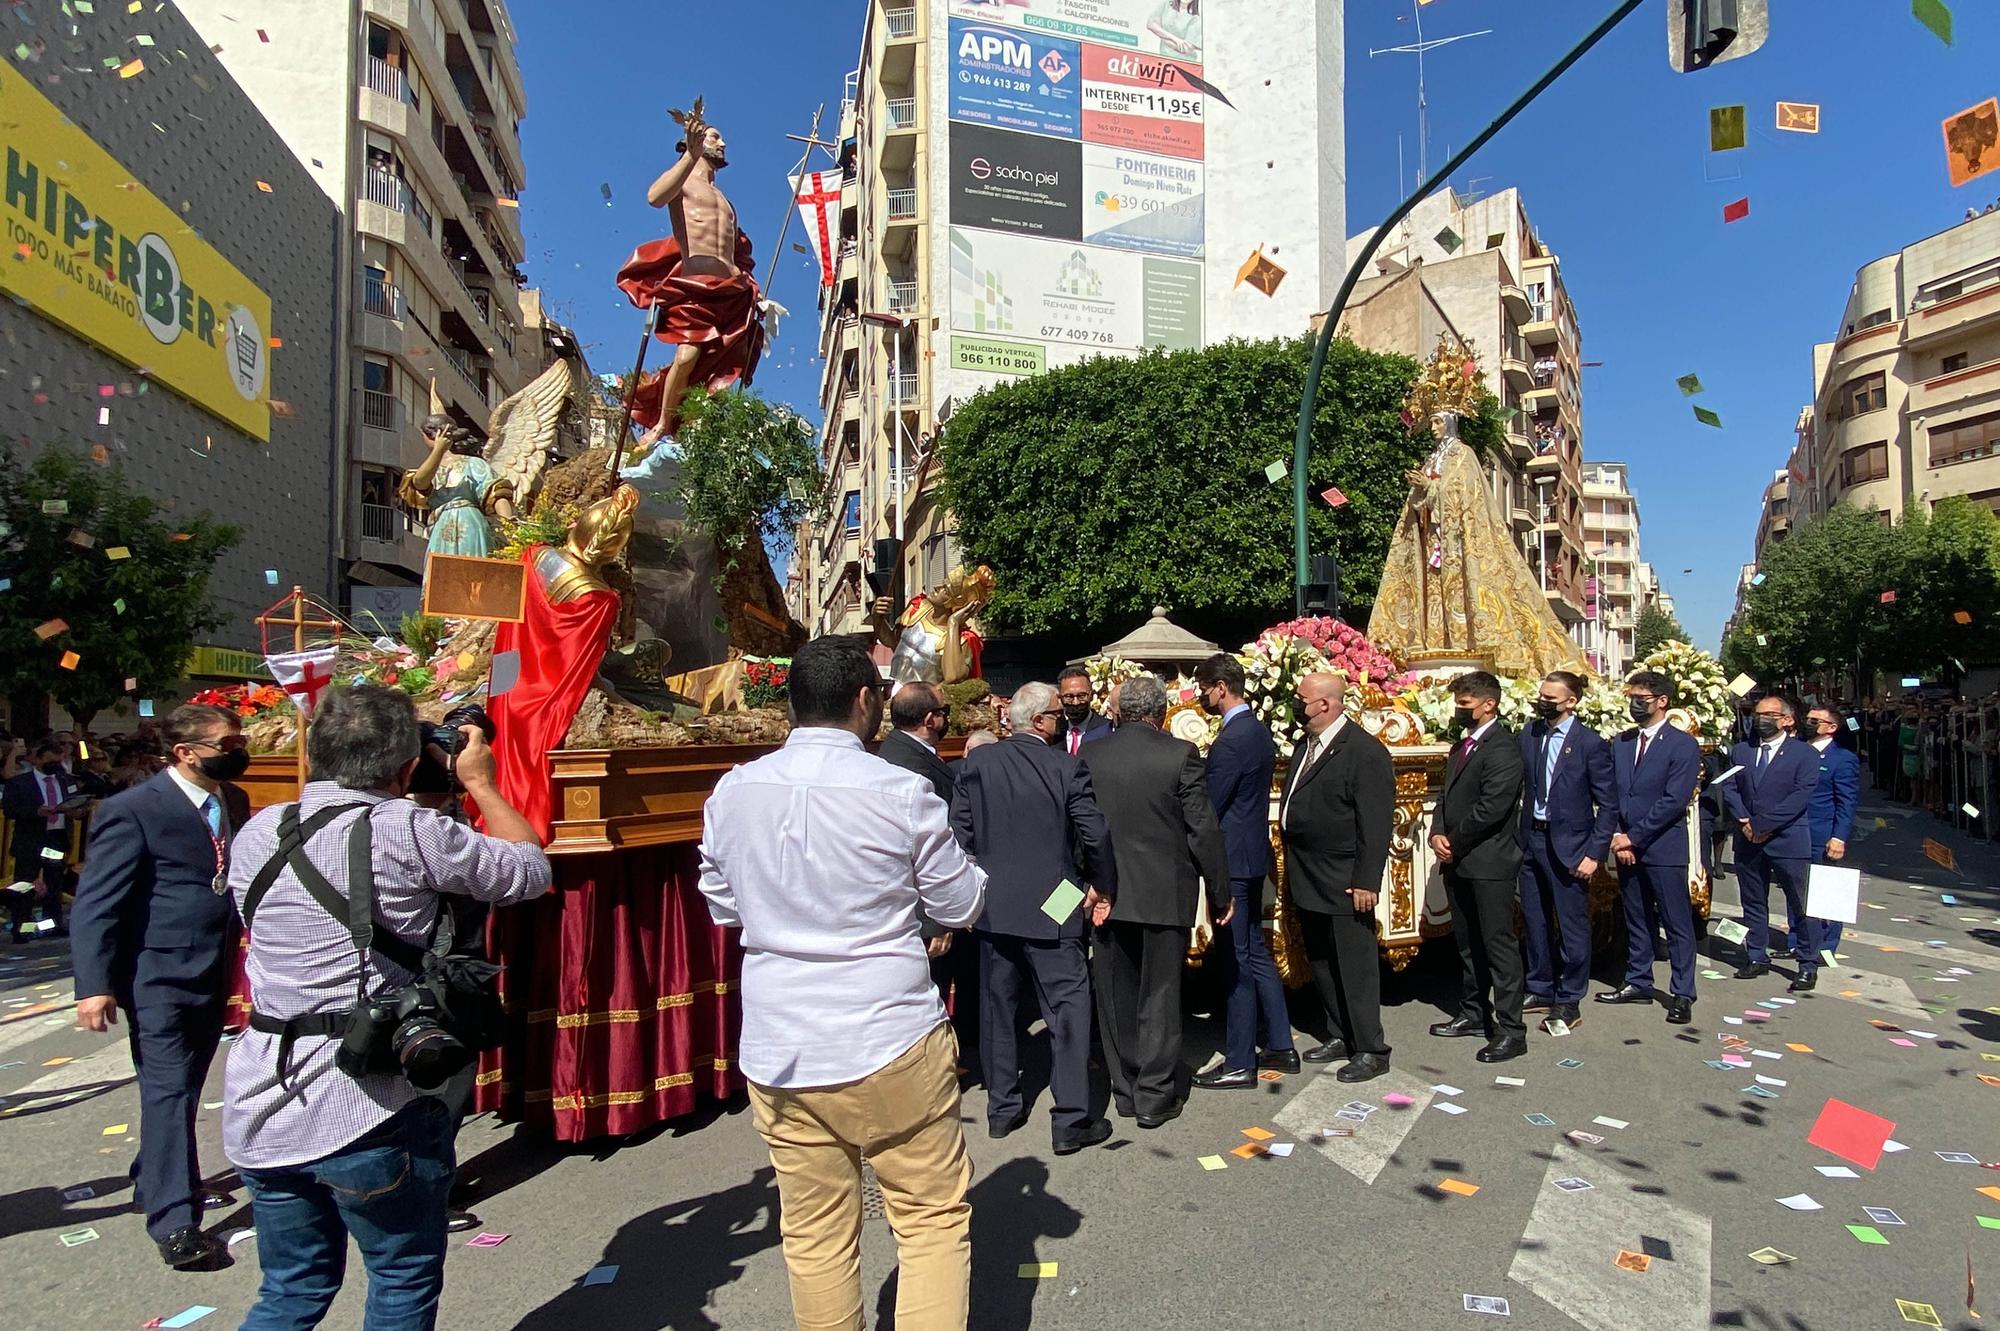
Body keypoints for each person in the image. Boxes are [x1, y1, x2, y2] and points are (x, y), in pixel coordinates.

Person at [225, 685, 552, 1331]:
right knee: (400, 1280)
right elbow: (527, 868)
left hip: (263, 1093)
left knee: (290, 1291)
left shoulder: (261, 829)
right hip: (369, 1101)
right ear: (406, 766)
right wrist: (479, 783)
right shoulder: (410, 828)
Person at [700, 638, 985, 1331]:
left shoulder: (733, 790)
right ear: (866, 701)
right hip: (888, 1033)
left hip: (784, 1042)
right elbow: (959, 904)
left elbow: (722, 902)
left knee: (816, 1231)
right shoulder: (900, 790)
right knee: (929, 1221)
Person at [67, 705, 251, 1270]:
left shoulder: (232, 801)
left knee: (186, 1084)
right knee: (168, 1090)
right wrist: (93, 984)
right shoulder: (134, 810)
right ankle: (175, 1221)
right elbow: (98, 902)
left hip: (212, 966)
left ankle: (154, 1177)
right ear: (185, 753)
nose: (237, 749)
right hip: (156, 974)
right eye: (227, 741)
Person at [952, 681, 1118, 1153]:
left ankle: (1002, 1108)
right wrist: (1101, 885)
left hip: (994, 903)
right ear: (1041, 721)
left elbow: (957, 836)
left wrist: (970, 893)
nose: (1064, 720)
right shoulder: (1065, 766)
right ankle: (1071, 1117)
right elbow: (1095, 834)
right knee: (1067, 1008)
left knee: (997, 1009)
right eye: (1057, 715)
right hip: (1056, 900)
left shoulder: (977, 764)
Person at [1079, 675, 1228, 1127]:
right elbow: (1202, 828)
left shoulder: (1090, 753)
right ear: (1160, 713)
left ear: (1120, 712)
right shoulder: (1179, 754)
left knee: (1115, 994)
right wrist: (1220, 891)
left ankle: (1125, 1087)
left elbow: (1080, 827)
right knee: (1161, 995)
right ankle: (1155, 1093)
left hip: (1107, 893)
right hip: (1164, 893)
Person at [1277, 671, 1394, 1082]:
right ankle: (1340, 1032)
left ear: (1324, 704)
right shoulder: (1304, 745)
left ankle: (1370, 1047)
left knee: (1354, 964)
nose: (1295, 702)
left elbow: (1375, 822)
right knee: (1323, 960)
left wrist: (1367, 879)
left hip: (1345, 877)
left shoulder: (1363, 751)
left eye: (1302, 697)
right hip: (1308, 872)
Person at [1189, 652, 1297, 1090]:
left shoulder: (1232, 740)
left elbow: (1210, 803)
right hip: (1250, 853)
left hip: (1231, 859)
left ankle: (1238, 1061)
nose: (1201, 697)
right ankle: (1280, 1042)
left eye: (1204, 688)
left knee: (1236, 959)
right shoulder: (1256, 732)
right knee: (1253, 949)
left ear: (1220, 687)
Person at [1428, 671, 1528, 1062]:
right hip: (1458, 861)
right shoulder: (1460, 748)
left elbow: (1493, 807)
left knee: (1498, 946)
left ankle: (1511, 1030)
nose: (1459, 710)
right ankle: (1472, 1012)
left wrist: (1455, 840)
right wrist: (1438, 831)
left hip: (1489, 862)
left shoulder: (1502, 749)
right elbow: (1446, 797)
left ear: (1489, 704)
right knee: (1468, 944)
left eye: (1465, 704)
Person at [878, 681, 980, 1062]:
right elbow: (916, 851)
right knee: (930, 989)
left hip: (928, 907)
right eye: (945, 713)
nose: (947, 720)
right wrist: (934, 920)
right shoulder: (909, 765)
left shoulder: (907, 753)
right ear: (930, 719)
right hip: (925, 911)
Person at [1595, 671, 1702, 1024]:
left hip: (1662, 847)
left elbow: (1674, 799)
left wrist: (1634, 836)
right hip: (1626, 846)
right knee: (1636, 918)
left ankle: (1683, 992)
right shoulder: (1622, 741)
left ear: (1661, 701)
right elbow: (1612, 793)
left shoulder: (1682, 744)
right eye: (1632, 696)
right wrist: (1618, 836)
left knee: (1676, 922)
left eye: (1641, 697)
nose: (1634, 703)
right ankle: (1638, 981)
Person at [1516, 670, 1616, 1032]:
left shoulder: (1589, 744)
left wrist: (1594, 854)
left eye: (1551, 698)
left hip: (1572, 847)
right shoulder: (1530, 734)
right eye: (1541, 694)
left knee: (1572, 925)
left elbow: (1608, 805)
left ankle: (1569, 997)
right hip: (1532, 840)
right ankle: (1540, 985)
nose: (1543, 702)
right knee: (1535, 919)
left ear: (1571, 702)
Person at [1720, 693, 1824, 992]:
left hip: (1787, 839)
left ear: (1787, 720)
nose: (1760, 719)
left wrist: (1762, 825)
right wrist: (1744, 821)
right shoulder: (1741, 751)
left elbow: (1800, 796)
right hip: (1748, 838)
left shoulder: (1804, 754)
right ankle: (1756, 955)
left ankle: (1807, 962)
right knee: (1753, 900)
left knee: (1801, 903)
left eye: (1769, 715)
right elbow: (1728, 786)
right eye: (1757, 713)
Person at [3, 736, 84, 939]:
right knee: (25, 884)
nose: (55, 766)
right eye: (50, 761)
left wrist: (76, 811)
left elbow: (76, 802)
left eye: (58, 761)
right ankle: (22, 928)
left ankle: (50, 925)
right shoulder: (21, 783)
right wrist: (36, 811)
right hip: (30, 840)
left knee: (54, 882)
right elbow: (10, 809)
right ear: (38, 760)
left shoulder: (66, 780)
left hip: (54, 839)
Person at [1796, 702, 1860, 957]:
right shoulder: (1797, 751)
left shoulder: (1842, 759)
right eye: (1807, 719)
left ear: (1831, 728)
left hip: (1822, 832)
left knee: (1826, 890)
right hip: (1795, 830)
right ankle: (1798, 940)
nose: (1808, 724)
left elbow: (1846, 802)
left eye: (1815, 721)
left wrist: (1838, 837)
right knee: (1797, 888)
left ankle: (1826, 945)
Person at [1054, 666, 1111, 756]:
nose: (1075, 703)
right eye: (1069, 697)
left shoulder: (1107, 729)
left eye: (1081, 696)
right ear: (1060, 698)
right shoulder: (1055, 733)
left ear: (1091, 695)